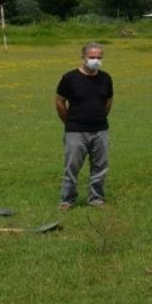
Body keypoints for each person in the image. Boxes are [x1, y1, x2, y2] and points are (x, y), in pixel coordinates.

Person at [55, 42, 113, 209]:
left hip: (100, 129)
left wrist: (100, 117)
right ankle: (67, 199)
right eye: (92, 57)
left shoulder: (106, 78)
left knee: (100, 167)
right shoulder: (69, 78)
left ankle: (96, 198)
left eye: (99, 57)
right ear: (83, 57)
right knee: (72, 166)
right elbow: (59, 101)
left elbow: (108, 101)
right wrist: (69, 121)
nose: (95, 60)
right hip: (75, 131)